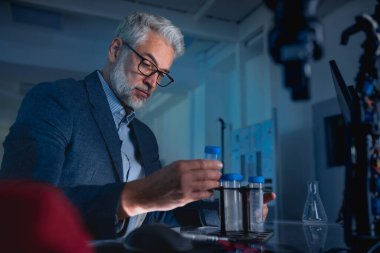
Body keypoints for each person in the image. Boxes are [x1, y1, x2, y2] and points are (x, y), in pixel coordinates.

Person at [0, 12, 276, 240]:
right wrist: (134, 197)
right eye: (147, 65)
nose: (153, 83)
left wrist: (231, 212)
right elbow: (23, 206)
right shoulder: (57, 100)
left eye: (162, 74)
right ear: (115, 49)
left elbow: (157, 213)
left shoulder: (145, 137)